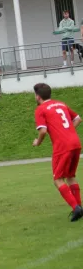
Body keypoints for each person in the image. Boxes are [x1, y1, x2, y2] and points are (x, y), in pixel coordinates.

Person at [32, 83, 83, 221]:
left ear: (38, 96)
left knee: (58, 179)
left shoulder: (40, 109)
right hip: (75, 143)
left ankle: (76, 208)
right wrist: (67, 131)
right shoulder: (61, 104)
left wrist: (38, 142)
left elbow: (42, 131)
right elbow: (78, 118)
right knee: (70, 176)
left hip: (62, 146)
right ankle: (79, 207)